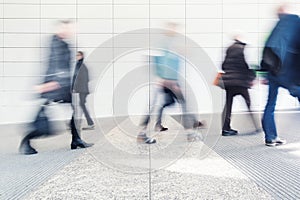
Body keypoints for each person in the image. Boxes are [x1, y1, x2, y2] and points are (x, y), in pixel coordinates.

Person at [19, 20, 93, 155]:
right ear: (60, 29)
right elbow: (54, 63)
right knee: (43, 119)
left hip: (62, 85)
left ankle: (76, 140)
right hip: (54, 85)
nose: (70, 31)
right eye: (67, 28)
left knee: (74, 110)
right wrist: (50, 83)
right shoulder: (55, 43)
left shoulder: (65, 44)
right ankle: (26, 140)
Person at [137, 22, 205, 144]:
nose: (176, 31)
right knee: (177, 104)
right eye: (174, 28)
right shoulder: (163, 43)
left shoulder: (172, 43)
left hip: (169, 80)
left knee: (166, 104)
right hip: (167, 80)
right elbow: (160, 61)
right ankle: (189, 133)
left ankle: (144, 132)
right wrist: (166, 79)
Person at [261, 4, 300, 146]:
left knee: (270, 104)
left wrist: (265, 73)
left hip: (273, 73)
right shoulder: (296, 22)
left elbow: (266, 49)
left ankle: (270, 137)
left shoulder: (276, 28)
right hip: (288, 73)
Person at [221, 34, 257, 136]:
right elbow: (247, 66)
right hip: (240, 82)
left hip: (229, 83)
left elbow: (223, 66)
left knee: (228, 106)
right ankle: (256, 126)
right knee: (248, 103)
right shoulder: (244, 49)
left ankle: (225, 129)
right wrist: (251, 78)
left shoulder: (229, 49)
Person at [72, 51, 94, 130]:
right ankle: (88, 123)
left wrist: (75, 88)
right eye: (76, 55)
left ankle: (90, 123)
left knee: (82, 105)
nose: (76, 56)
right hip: (82, 89)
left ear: (81, 56)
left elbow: (83, 79)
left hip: (83, 90)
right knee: (81, 105)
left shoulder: (81, 66)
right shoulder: (79, 65)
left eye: (78, 55)